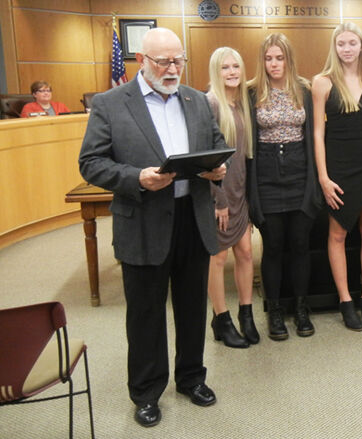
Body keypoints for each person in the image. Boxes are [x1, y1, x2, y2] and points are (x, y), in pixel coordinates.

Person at [78, 27, 226, 427]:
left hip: (191, 218)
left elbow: (215, 141)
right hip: (142, 220)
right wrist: (136, 178)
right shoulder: (111, 103)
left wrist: (218, 168)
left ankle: (191, 378)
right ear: (141, 61)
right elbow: (91, 163)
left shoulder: (196, 99)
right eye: (163, 61)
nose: (173, 68)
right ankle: (146, 392)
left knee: (193, 308)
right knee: (145, 314)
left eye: (178, 60)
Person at [312, 22, 362, 331]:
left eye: (352, 43)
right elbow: (318, 134)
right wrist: (322, 176)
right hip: (338, 167)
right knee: (338, 234)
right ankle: (346, 300)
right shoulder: (322, 82)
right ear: (335, 47)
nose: (347, 49)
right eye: (341, 43)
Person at [246, 33, 322, 340]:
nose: (274, 64)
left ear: (289, 59)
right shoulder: (251, 92)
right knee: (274, 246)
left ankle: (301, 308)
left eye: (279, 58)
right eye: (268, 58)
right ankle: (275, 310)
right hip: (265, 175)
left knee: (301, 245)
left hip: (299, 173)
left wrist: (313, 184)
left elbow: (314, 139)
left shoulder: (303, 89)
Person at [204, 47, 257, 349]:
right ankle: (221, 319)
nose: (232, 72)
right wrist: (218, 198)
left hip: (240, 191)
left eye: (236, 66)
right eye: (225, 67)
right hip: (220, 194)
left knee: (247, 253)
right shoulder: (210, 103)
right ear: (216, 71)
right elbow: (206, 159)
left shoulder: (241, 103)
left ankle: (245, 314)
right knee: (218, 257)